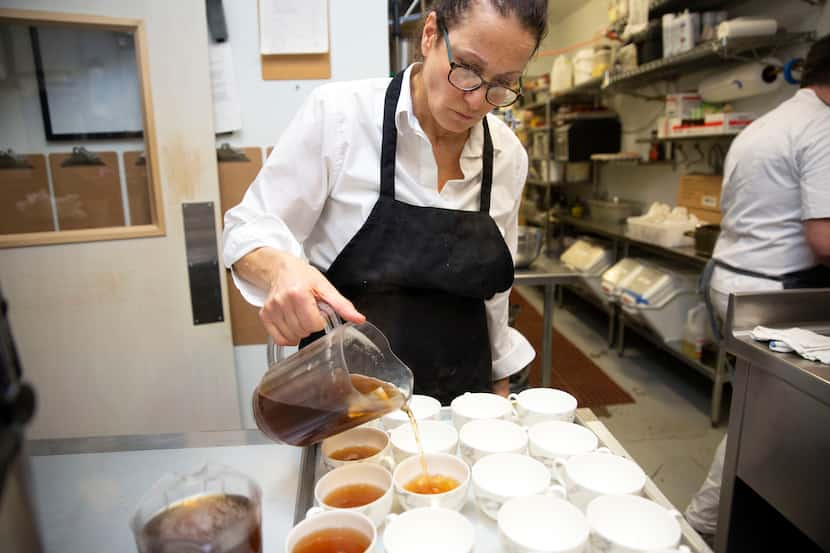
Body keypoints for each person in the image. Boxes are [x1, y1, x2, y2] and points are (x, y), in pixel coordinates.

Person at [223, 0, 548, 405]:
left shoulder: (506, 154)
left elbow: (494, 294)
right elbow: (245, 226)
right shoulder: (341, 117)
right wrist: (281, 269)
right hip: (348, 403)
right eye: (466, 69)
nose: (477, 100)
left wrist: (500, 378)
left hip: (462, 405)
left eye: (503, 83)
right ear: (430, 34)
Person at [687, 34, 830, 539]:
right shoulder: (823, 128)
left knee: (756, 413)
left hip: (728, 278)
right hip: (772, 293)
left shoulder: (763, 125)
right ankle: (703, 525)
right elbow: (824, 239)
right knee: (761, 424)